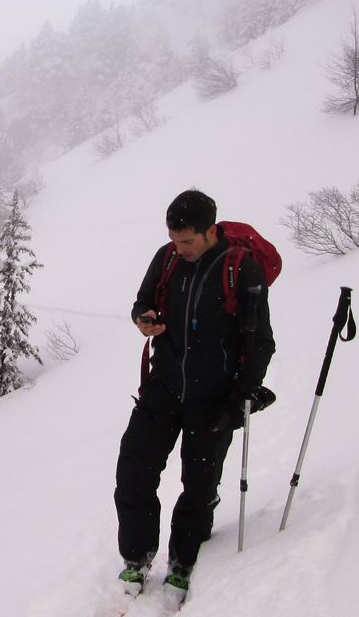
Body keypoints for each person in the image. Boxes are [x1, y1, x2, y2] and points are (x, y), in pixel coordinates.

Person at [114, 189, 275, 599]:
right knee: (134, 471)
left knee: (199, 485)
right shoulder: (167, 258)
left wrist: (240, 399)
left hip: (213, 397)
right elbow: (143, 301)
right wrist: (144, 318)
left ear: (210, 231)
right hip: (163, 386)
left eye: (187, 241)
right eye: (174, 239)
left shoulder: (241, 269)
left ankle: (183, 562)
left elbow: (261, 343)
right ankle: (136, 559)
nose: (179, 248)